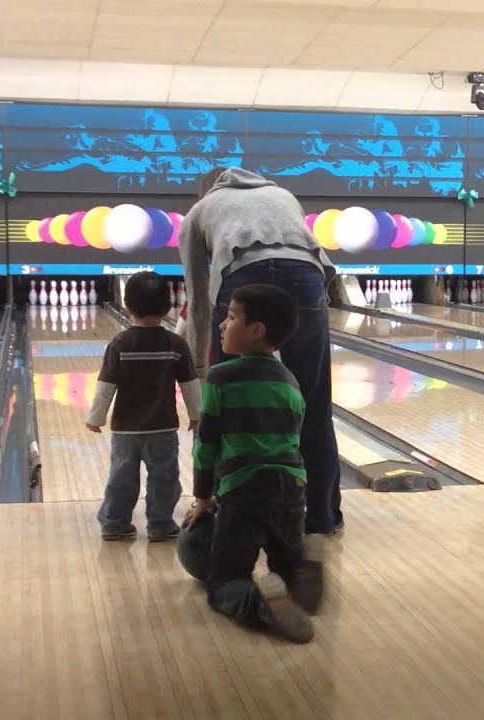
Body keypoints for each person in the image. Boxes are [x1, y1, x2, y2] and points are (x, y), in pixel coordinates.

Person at [178, 167, 343, 536]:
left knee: (226, 403)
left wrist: (199, 369)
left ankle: (222, 506)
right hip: (307, 278)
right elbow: (314, 261)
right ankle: (322, 517)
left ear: (205, 193)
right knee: (314, 404)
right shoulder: (283, 195)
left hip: (241, 275)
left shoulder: (199, 212)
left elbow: (198, 299)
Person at [183, 283, 325, 644]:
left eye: (231, 317)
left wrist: (202, 498)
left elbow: (207, 445)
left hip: (244, 490)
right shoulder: (290, 381)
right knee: (284, 561)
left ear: (256, 330)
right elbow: (294, 439)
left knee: (224, 581)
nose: (221, 325)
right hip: (292, 488)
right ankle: (299, 576)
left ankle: (260, 605)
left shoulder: (220, 377)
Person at [87, 271, 201, 542]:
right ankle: (160, 525)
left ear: (126, 306)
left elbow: (106, 384)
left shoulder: (119, 344)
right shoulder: (175, 343)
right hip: (163, 428)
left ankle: (114, 524)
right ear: (167, 306)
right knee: (165, 478)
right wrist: (197, 415)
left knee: (121, 478)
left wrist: (96, 417)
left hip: (125, 430)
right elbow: (190, 383)